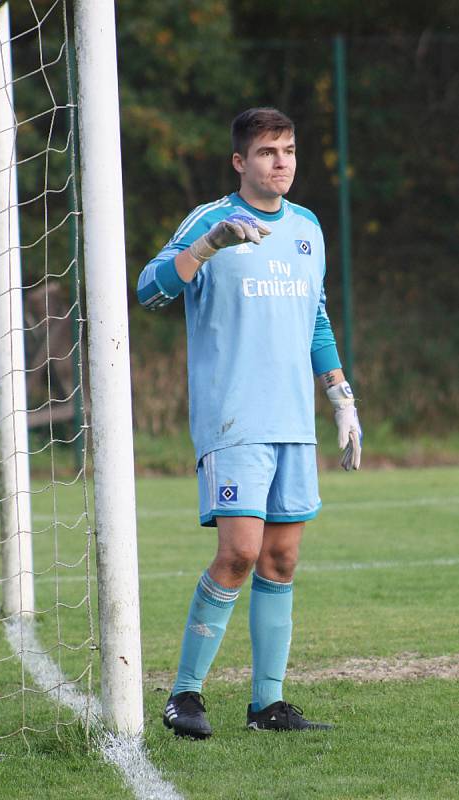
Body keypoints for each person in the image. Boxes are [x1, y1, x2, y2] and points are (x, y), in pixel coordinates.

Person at [137, 107, 362, 739]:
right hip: (232, 419)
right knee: (238, 552)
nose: (282, 162)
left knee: (282, 559)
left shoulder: (309, 228)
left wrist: (341, 394)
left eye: (289, 150)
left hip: (293, 420)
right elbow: (149, 289)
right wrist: (208, 247)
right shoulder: (209, 221)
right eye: (267, 152)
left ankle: (267, 705)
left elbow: (315, 319)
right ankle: (184, 696)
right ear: (241, 162)